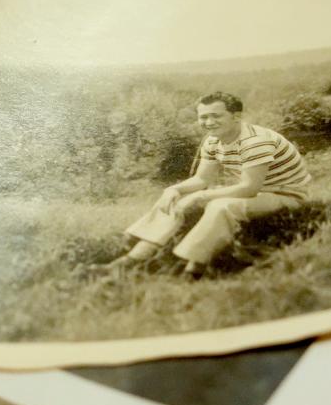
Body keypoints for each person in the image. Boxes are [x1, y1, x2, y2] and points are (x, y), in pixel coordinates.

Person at [114, 91, 312, 277]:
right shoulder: (213, 141)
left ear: (236, 116)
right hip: (259, 192)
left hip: (286, 195)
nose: (208, 122)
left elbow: (249, 187)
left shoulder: (255, 141)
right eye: (203, 117)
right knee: (176, 197)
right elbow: (202, 180)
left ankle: (193, 269)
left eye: (216, 116)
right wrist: (173, 189)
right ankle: (134, 257)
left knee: (221, 206)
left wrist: (200, 196)